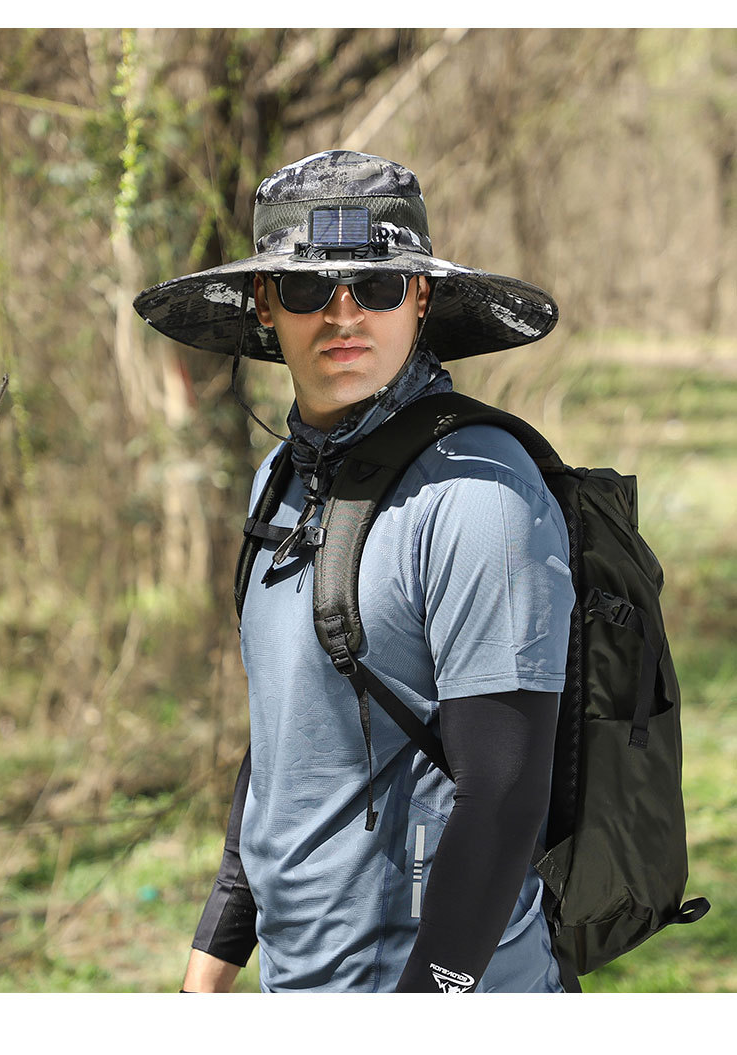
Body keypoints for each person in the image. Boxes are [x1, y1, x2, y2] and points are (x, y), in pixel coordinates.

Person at [134, 149, 576, 993]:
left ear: (420, 299)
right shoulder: (280, 481)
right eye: (308, 288)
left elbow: (505, 793)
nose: (344, 314)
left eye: (376, 285)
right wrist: (210, 963)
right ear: (265, 302)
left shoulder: (479, 495)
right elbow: (284, 743)